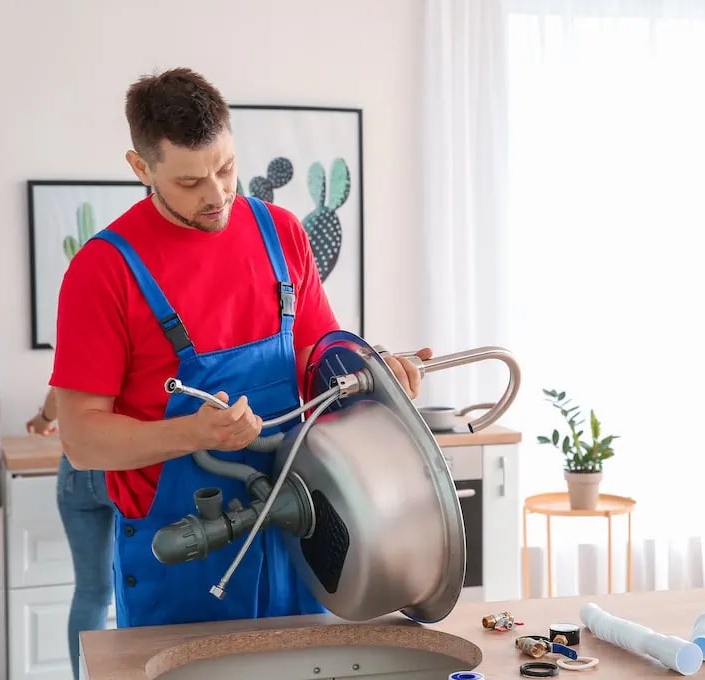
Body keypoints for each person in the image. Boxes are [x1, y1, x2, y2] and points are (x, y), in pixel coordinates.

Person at [49, 67, 430, 629]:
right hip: (180, 558)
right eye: (188, 182)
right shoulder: (103, 271)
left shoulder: (282, 232)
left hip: (305, 535)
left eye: (226, 168)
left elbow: (316, 363)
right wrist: (194, 433)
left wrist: (374, 372)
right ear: (140, 168)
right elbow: (81, 439)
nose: (216, 195)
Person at [26, 388, 114, 678]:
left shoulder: (83, 347)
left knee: (92, 593)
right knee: (140, 587)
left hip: (75, 470)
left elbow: (59, 391)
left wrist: (42, 420)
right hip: (119, 468)